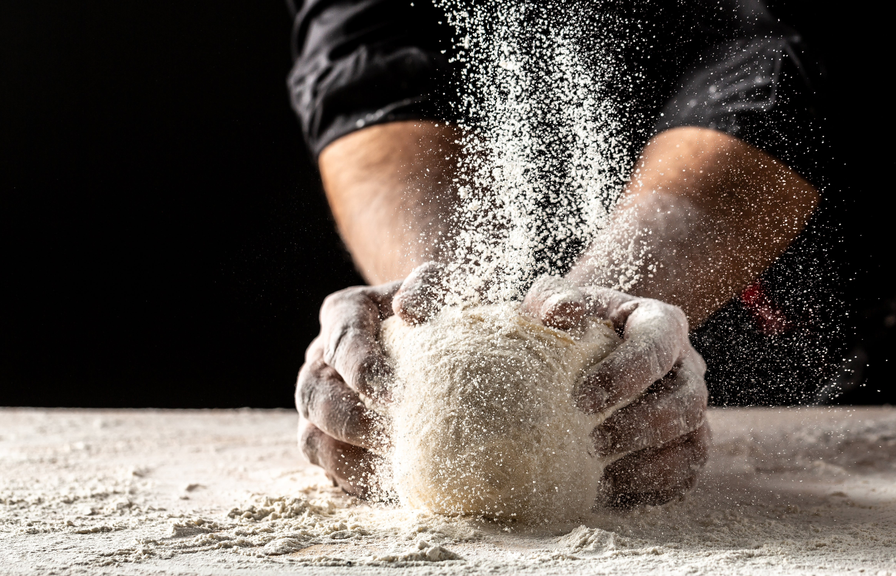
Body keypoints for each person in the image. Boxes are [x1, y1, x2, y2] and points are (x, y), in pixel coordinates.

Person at [284, 0, 842, 506]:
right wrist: (434, 312)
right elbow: (367, 63)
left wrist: (609, 311)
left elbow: (781, 57)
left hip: (771, 299)